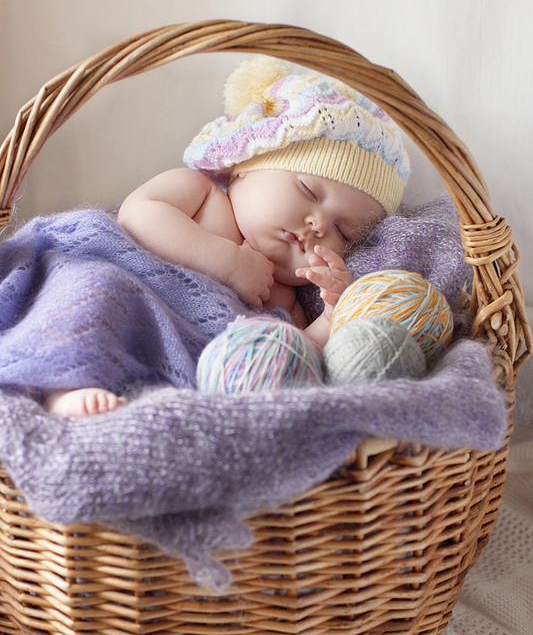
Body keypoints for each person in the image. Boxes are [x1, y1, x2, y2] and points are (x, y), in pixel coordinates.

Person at [44, 56, 410, 416]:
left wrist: (332, 314)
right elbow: (137, 214)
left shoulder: (285, 295)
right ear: (248, 167)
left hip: (181, 365)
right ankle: (66, 385)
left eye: (343, 232)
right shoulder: (202, 195)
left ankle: (150, 402)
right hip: (125, 302)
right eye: (308, 191)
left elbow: (290, 353)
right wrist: (228, 262)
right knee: (90, 291)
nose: (318, 225)